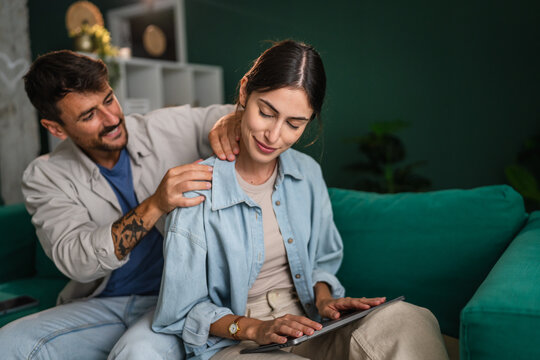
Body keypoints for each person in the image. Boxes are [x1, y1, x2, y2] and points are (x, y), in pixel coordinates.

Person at [152, 40, 449, 360]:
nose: (274, 135)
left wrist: (325, 301)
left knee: (409, 319)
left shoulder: (306, 173)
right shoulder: (197, 189)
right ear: (243, 93)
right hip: (237, 341)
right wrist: (254, 328)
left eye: (295, 124)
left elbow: (322, 261)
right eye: (266, 113)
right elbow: (182, 310)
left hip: (309, 324)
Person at [0, 50, 240, 359]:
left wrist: (228, 121)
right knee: (8, 346)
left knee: (136, 355)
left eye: (109, 100)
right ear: (56, 129)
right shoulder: (44, 176)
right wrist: (155, 204)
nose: (112, 119)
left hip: (179, 299)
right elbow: (77, 260)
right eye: (89, 115)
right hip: (101, 304)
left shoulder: (164, 126)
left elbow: (234, 115)